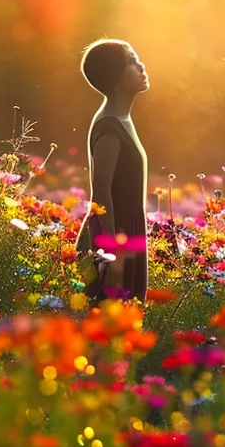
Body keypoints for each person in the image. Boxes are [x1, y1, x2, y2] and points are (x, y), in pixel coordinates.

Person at [75, 38, 150, 302]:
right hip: (114, 234)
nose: (140, 65)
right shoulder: (109, 126)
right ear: (114, 75)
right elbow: (101, 193)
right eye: (130, 61)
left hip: (126, 231)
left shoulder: (121, 119)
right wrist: (109, 251)